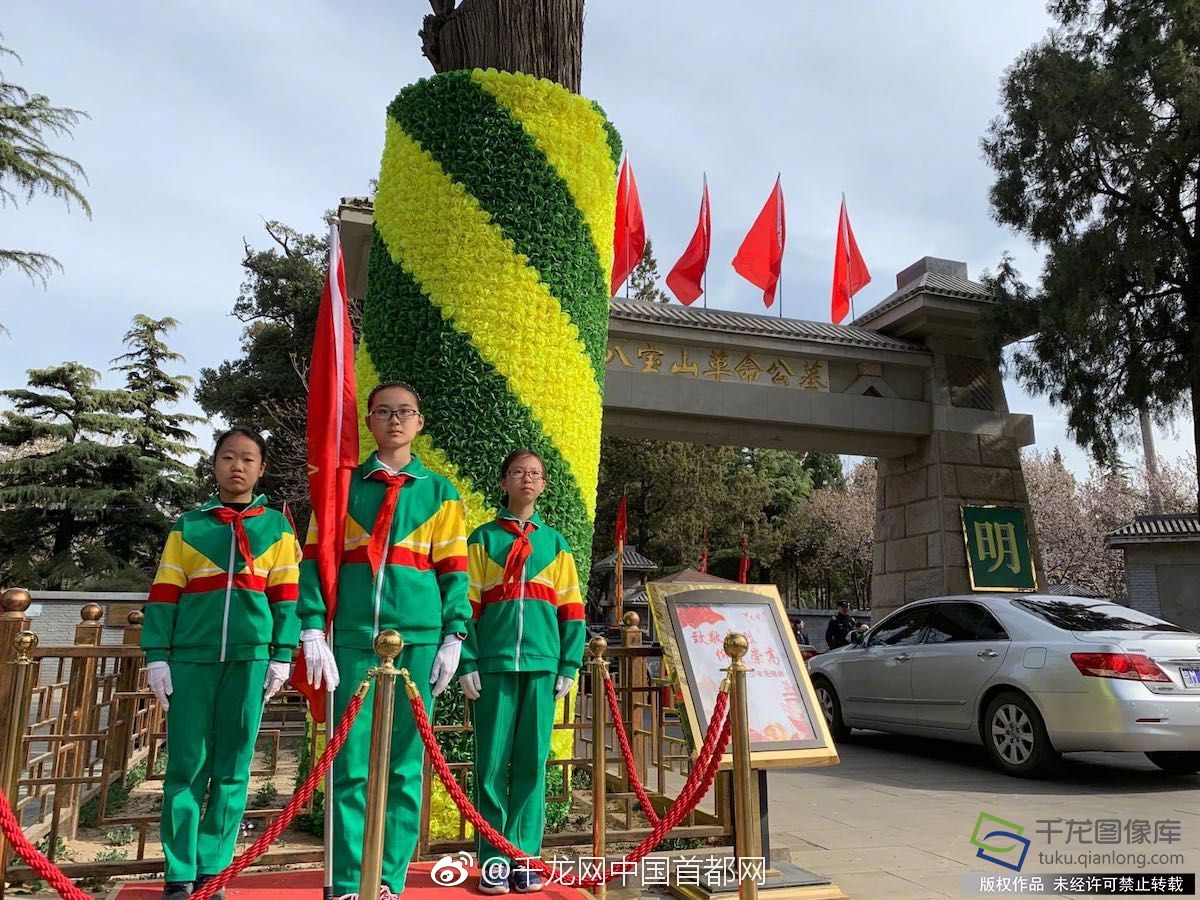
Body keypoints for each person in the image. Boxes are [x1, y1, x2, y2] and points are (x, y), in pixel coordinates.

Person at [297, 381, 470, 900]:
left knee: (404, 765)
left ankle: (389, 880)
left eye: (406, 412)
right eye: (384, 412)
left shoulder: (441, 493)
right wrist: (311, 625)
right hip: (351, 638)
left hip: (416, 640)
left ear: (419, 423)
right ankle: (351, 881)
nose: (395, 420)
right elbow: (314, 561)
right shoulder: (340, 489)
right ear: (368, 421)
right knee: (348, 761)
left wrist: (453, 634)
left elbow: (454, 572)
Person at [143, 427, 301, 900]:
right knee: (186, 764)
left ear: (261, 469)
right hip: (191, 660)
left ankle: (215, 867)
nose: (237, 466)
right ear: (214, 465)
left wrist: (281, 654)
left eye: (248, 459)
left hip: (251, 661)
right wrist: (157, 656)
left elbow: (287, 599)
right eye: (228, 457)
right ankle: (179, 870)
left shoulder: (277, 527)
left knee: (234, 765)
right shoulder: (188, 527)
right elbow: (165, 596)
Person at [458, 449, 584, 895]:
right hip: (492, 665)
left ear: (543, 485)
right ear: (504, 481)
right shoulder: (482, 540)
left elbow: (571, 609)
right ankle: (493, 858)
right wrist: (467, 659)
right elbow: (465, 606)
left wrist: (568, 662)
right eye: (518, 472)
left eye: (534, 474)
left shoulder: (556, 544)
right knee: (490, 764)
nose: (527, 479)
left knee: (532, 763)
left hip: (542, 665)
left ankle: (525, 856)